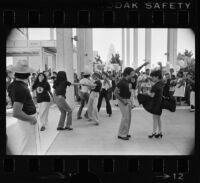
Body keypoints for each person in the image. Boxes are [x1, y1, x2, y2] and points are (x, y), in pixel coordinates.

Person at [7, 60, 37, 155]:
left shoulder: (13, 85)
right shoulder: (21, 88)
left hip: (26, 118)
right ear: (28, 74)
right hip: (26, 119)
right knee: (29, 144)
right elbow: (16, 112)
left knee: (28, 142)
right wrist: (31, 118)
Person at [138, 67, 165, 139]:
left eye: (153, 77)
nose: (152, 78)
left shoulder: (155, 86)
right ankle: (160, 132)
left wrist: (147, 92)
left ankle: (154, 132)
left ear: (156, 77)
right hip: (160, 103)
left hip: (156, 104)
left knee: (155, 118)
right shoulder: (160, 84)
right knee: (158, 118)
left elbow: (152, 95)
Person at [114, 67, 135, 140]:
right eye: (132, 73)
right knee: (125, 118)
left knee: (128, 118)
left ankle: (125, 132)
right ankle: (121, 134)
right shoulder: (121, 82)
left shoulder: (127, 81)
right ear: (128, 73)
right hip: (123, 101)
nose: (133, 74)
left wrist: (130, 102)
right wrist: (123, 101)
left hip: (127, 100)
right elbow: (115, 93)